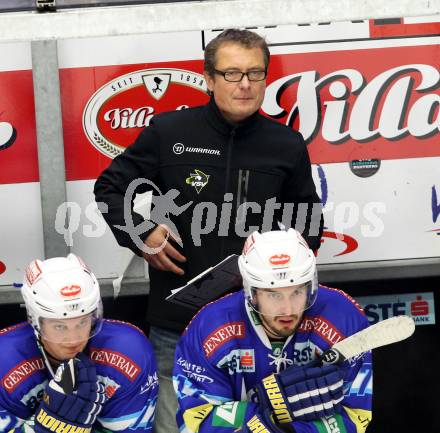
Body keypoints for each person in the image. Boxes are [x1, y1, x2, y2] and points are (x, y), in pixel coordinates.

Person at [94, 29, 323, 433]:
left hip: (258, 326)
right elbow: (110, 188)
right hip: (177, 323)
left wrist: (287, 261)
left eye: (256, 73)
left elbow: (310, 224)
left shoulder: (285, 144)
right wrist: (141, 232)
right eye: (232, 73)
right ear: (208, 78)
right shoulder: (169, 132)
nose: (246, 84)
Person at [173, 228, 372, 433]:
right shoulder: (209, 326)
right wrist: (269, 421)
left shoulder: (343, 318)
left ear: (310, 286)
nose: (288, 309)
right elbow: (197, 420)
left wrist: (289, 429)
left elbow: (356, 417)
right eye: (273, 295)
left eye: (297, 292)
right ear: (252, 292)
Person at [0, 254, 158, 433]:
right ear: (35, 321)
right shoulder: (4, 360)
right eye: (60, 326)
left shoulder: (128, 351)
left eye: (82, 322)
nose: (73, 338)